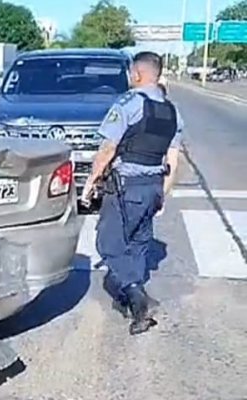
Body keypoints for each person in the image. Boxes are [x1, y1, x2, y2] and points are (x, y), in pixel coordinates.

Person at [81, 51, 184, 336]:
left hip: (127, 187)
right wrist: (163, 193)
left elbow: (108, 149)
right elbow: (173, 159)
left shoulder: (128, 103)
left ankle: (139, 299)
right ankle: (130, 302)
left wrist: (91, 182)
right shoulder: (172, 110)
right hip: (152, 187)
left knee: (109, 243)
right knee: (138, 244)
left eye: (130, 73)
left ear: (136, 74)